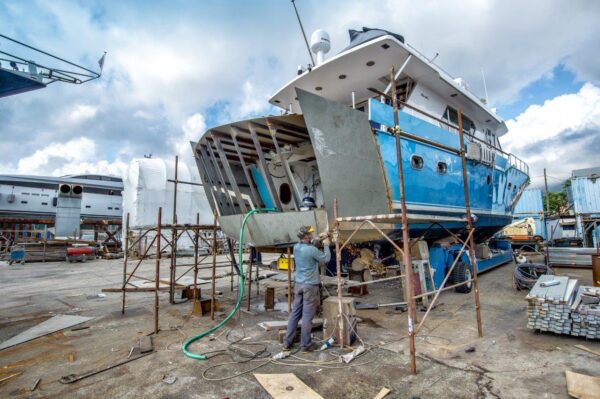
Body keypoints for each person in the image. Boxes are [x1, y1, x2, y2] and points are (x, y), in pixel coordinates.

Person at [283, 225, 331, 352]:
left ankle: (287, 342)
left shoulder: (296, 247)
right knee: (307, 316)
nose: (312, 235)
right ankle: (305, 344)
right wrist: (326, 244)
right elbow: (326, 258)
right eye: (310, 234)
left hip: (298, 284)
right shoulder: (311, 250)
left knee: (295, 314)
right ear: (306, 236)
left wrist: (318, 240)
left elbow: (309, 247)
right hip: (310, 286)